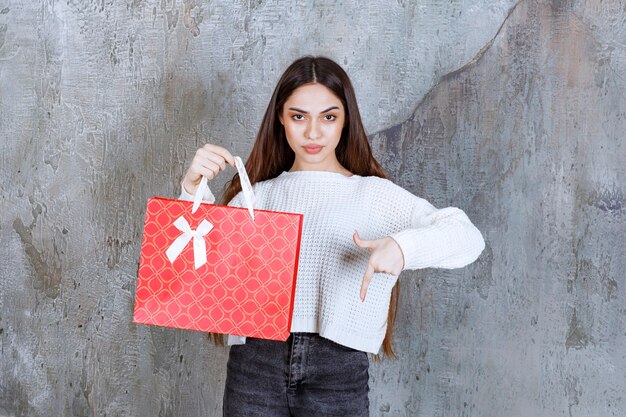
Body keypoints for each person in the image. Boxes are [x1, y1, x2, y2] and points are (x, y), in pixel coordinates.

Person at [179, 56, 485, 417]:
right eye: (298, 116)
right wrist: (190, 190)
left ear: (345, 120)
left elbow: (467, 236)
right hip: (255, 363)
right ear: (280, 118)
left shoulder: (373, 196)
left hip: (337, 367)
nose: (313, 133)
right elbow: (191, 276)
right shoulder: (255, 196)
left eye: (328, 117)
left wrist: (404, 248)